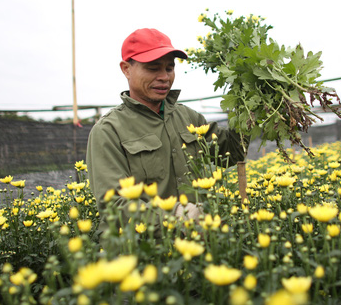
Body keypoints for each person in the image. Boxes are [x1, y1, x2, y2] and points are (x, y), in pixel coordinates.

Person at [86, 28, 248, 237]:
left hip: (199, 243)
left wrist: (247, 108)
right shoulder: (108, 131)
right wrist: (174, 216)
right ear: (126, 69)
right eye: (153, 68)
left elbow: (231, 153)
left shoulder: (188, 117)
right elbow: (114, 203)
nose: (164, 77)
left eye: (169, 68)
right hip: (144, 252)